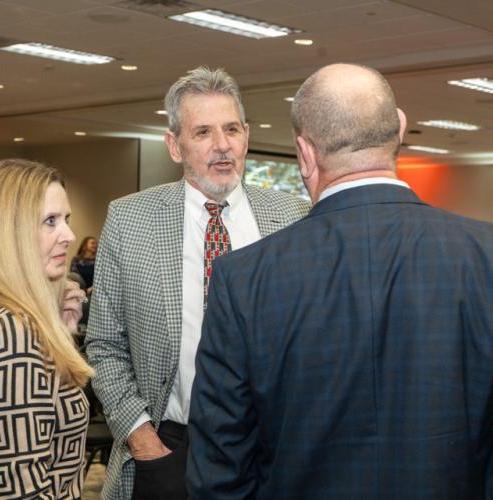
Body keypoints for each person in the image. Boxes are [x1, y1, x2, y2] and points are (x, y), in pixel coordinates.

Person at [187, 63, 493, 499]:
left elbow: (220, 470)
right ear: (400, 129)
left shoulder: (244, 279)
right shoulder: (484, 257)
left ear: (305, 153)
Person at [84, 66, 310, 500]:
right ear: (174, 145)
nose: (222, 145)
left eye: (231, 129)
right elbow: (105, 346)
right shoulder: (130, 219)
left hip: (271, 452)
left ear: (246, 134)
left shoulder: (292, 218)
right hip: (167, 449)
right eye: (203, 132)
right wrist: (142, 440)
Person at [0, 158, 93, 498]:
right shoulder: (11, 331)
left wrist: (60, 337)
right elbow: (22, 489)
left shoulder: (16, 323)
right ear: (11, 233)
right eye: (50, 221)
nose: (69, 235)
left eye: (66, 219)